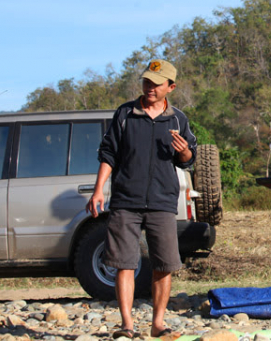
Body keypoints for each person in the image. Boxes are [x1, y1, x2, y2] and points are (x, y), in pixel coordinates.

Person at [86, 59, 197, 339]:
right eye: (146, 82)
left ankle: (158, 323)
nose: (149, 88)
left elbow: (188, 160)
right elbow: (108, 153)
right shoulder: (125, 113)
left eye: (156, 84)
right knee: (124, 263)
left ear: (170, 87)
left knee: (165, 264)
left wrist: (183, 151)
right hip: (126, 200)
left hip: (162, 201)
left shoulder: (177, 119)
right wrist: (98, 190)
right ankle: (127, 325)